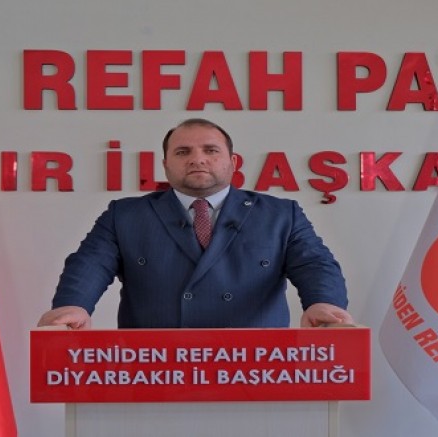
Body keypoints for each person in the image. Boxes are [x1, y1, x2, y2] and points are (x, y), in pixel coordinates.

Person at [38, 118, 353, 329]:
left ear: (233, 162)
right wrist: (73, 306)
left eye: (211, 150)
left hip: (256, 367)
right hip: (154, 370)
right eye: (183, 151)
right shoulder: (125, 215)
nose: (197, 159)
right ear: (166, 165)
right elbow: (89, 264)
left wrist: (323, 304)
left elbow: (314, 264)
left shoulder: (280, 214)